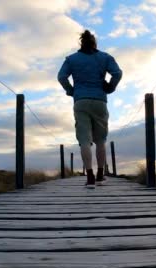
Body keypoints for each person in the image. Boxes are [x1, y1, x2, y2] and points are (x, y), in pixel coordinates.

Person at [57, 30, 123, 189]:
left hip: (80, 101)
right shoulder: (105, 57)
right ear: (95, 43)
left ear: (81, 43)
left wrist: (71, 90)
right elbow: (117, 73)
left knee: (84, 141)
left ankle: (90, 177)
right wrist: (110, 87)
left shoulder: (71, 59)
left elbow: (61, 77)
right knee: (101, 140)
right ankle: (101, 175)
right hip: (100, 100)